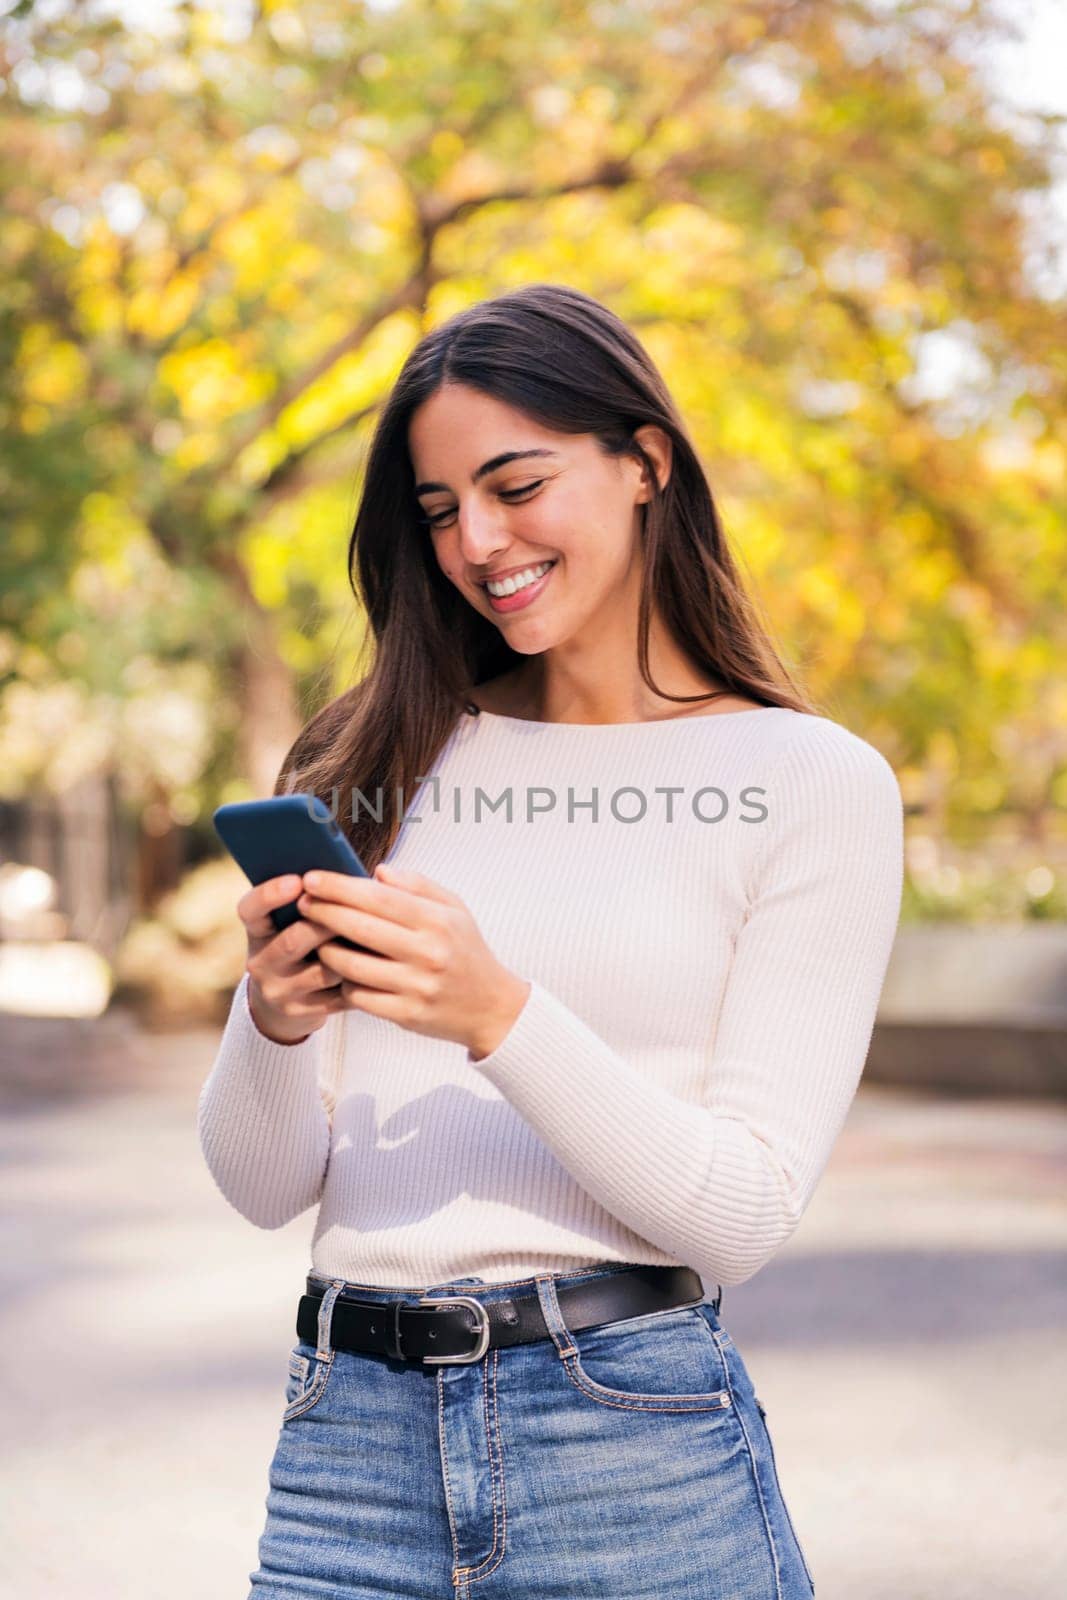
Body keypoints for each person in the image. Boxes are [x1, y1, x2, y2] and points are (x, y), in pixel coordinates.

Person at [198, 283, 903, 1599]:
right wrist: (275, 1019)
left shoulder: (810, 779)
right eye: (438, 508)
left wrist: (496, 1016)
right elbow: (261, 1184)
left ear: (645, 462)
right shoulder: (374, 758)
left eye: (516, 485)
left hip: (630, 1453)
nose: (477, 539)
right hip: (346, 1456)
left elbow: (741, 1218)